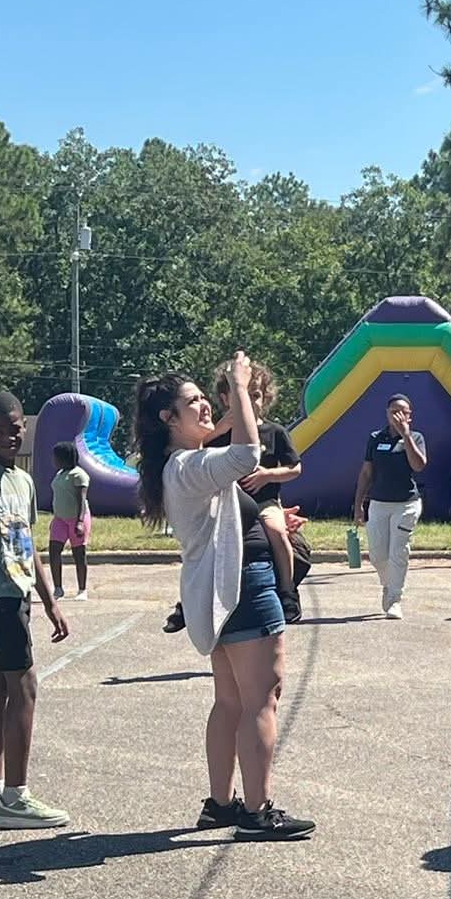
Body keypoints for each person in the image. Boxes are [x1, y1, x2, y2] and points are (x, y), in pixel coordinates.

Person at [137, 352, 315, 841]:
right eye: (193, 402)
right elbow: (247, 457)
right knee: (263, 698)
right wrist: (239, 383)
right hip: (243, 587)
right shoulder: (191, 465)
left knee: (232, 702)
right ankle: (257, 812)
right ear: (168, 419)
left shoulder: (181, 466)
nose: (204, 408)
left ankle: (220, 804)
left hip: (222, 588)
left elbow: (232, 503)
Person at [0, 391, 71, 830]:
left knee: (1, 693)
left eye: (15, 428)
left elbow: (30, 549)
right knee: (23, 688)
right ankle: (16, 797)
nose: (9, 435)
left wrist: (50, 600)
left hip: (19, 592)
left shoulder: (24, 482)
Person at [164, 359, 305, 632]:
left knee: (275, 530)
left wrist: (267, 475)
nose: (250, 402)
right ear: (227, 398)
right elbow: (201, 451)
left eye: (256, 395)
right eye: (244, 394)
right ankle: (187, 603)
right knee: (209, 548)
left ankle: (288, 593)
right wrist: (220, 428)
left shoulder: (274, 432)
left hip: (264, 501)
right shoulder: (214, 434)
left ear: (266, 398)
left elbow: (295, 467)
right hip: (225, 505)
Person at [353, 394, 427, 619]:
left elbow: (419, 465)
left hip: (406, 504)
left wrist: (405, 436)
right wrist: (358, 505)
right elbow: (366, 472)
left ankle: (395, 598)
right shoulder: (376, 438)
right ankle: (388, 585)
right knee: (377, 555)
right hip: (379, 503)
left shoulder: (415, 437)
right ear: (386, 413)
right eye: (393, 410)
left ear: (409, 416)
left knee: (398, 552)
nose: (398, 415)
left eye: (403, 411)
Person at [48, 441, 92, 602]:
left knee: (79, 554)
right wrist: (55, 518)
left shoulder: (79, 474)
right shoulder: (60, 474)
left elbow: (81, 499)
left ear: (65, 457)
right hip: (60, 519)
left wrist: (80, 522)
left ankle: (82, 589)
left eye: (56, 457)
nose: (54, 460)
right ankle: (58, 588)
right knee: (54, 551)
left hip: (76, 518)